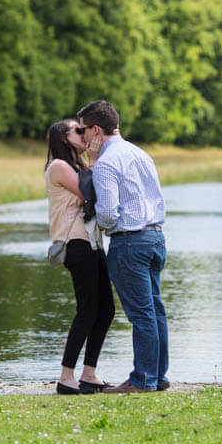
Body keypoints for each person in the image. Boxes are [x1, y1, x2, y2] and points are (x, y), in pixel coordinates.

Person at [76, 100, 169, 393]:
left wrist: (95, 224)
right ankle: (158, 376)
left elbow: (107, 213)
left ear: (96, 129)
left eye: (83, 130)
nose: (82, 137)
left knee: (141, 314)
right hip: (156, 237)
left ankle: (142, 380)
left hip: (129, 242)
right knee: (155, 310)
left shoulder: (106, 163)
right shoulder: (141, 155)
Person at [44, 119, 115, 395]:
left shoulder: (79, 167)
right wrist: (96, 156)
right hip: (75, 244)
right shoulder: (59, 167)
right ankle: (66, 377)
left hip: (93, 244)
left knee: (106, 310)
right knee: (87, 310)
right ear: (63, 138)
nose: (82, 133)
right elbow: (92, 190)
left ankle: (89, 373)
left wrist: (92, 159)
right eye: (77, 130)